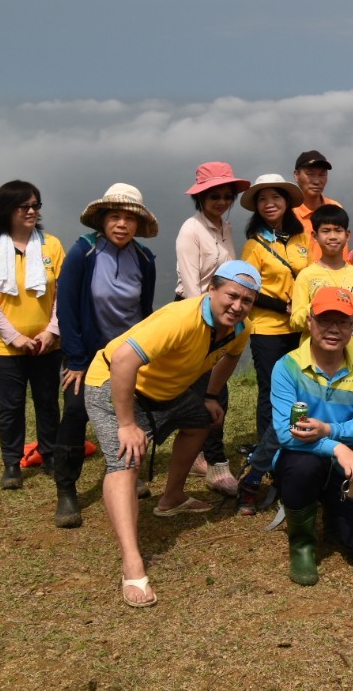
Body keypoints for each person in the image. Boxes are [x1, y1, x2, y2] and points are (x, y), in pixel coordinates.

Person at [84, 260, 259, 607]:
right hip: (114, 387)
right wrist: (127, 425)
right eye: (231, 296)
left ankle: (172, 498)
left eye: (247, 300)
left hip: (166, 392)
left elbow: (229, 358)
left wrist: (209, 395)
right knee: (126, 460)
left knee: (199, 421)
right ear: (212, 290)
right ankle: (132, 563)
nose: (238, 306)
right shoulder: (180, 318)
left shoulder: (240, 328)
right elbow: (121, 361)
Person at [54, 184, 157, 528]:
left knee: (131, 412)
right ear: (102, 220)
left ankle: (129, 473)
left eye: (129, 218)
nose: (122, 224)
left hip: (128, 353)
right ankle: (66, 488)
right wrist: (77, 361)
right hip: (86, 354)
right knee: (75, 410)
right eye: (115, 216)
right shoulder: (83, 253)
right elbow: (66, 308)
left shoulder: (143, 259)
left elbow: (144, 313)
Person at [270, 286, 353, 585]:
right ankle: (302, 546)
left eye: (342, 322)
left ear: (352, 326)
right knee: (302, 466)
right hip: (305, 456)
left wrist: (329, 431)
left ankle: (332, 505)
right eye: (324, 320)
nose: (333, 329)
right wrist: (337, 447)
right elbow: (285, 433)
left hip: (345, 463)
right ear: (309, 321)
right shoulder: (287, 367)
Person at [0, 180, 65, 490]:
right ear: (5, 210)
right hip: (4, 346)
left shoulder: (51, 244)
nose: (31, 211)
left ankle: (49, 454)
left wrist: (52, 331)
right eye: (23, 206)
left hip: (48, 344)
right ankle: (12, 463)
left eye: (35, 205)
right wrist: (14, 337)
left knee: (47, 401)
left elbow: (62, 294)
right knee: (10, 406)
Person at [176, 161, 250, 496]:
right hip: (196, 316)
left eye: (226, 195)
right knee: (212, 391)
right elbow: (192, 286)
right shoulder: (190, 231)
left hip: (222, 316)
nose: (221, 201)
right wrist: (208, 327)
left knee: (207, 388)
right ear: (201, 197)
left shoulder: (224, 227)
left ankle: (199, 454)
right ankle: (217, 466)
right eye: (214, 195)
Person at [238, 174, 311, 460]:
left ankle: (295, 441)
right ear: (256, 207)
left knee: (299, 386)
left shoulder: (301, 237)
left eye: (275, 198)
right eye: (263, 199)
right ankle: (268, 454)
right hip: (267, 329)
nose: (270, 204)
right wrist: (284, 307)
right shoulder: (254, 245)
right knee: (271, 391)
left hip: (299, 327)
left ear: (286, 202)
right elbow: (247, 289)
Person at [290, 204, 353, 354]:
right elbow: (295, 322)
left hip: (351, 355)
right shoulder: (306, 275)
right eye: (326, 231)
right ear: (315, 236)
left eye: (338, 230)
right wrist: (319, 305)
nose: (333, 236)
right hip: (313, 357)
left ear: (347, 235)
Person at [290, 150, 340, 261]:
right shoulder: (287, 213)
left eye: (322, 174)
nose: (317, 181)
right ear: (296, 175)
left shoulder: (334, 208)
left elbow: (342, 255)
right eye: (310, 174)